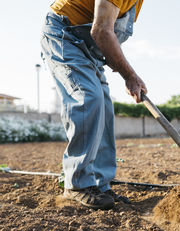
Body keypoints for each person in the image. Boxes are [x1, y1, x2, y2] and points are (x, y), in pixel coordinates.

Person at [40, 0, 147, 210]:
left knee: (104, 108)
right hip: (64, 35)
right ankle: (77, 184)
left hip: (90, 49)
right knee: (88, 97)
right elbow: (101, 31)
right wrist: (130, 75)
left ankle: (99, 185)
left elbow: (108, 34)